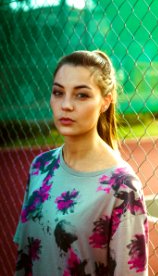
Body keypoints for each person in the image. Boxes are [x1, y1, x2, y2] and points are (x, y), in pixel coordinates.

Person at [14, 50, 148, 275]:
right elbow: (25, 256)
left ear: (106, 101)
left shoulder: (123, 187)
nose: (65, 105)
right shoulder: (40, 167)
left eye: (81, 95)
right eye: (58, 92)